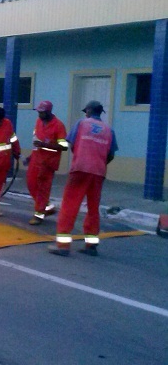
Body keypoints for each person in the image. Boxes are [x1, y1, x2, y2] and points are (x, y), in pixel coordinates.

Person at [49, 100, 118, 257]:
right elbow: (111, 154)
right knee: (93, 209)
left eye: (85, 111)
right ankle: (91, 246)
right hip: (98, 172)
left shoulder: (81, 123)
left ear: (88, 110)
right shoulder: (109, 129)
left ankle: (63, 246)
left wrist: (82, 156)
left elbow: (72, 144)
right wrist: (99, 162)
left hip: (80, 169)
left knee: (70, 206)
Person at [25, 100, 69, 225]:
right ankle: (46, 207)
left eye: (42, 112)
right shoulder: (38, 122)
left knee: (42, 189)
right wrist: (30, 156)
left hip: (48, 162)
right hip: (36, 158)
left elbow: (64, 146)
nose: (39, 115)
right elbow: (36, 141)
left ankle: (39, 215)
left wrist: (44, 144)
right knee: (31, 184)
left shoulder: (58, 125)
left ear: (49, 112)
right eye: (38, 112)